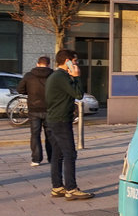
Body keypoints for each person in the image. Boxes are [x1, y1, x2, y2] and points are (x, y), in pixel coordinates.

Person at [45, 49, 94, 200]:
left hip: (54, 118)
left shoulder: (57, 76)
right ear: (67, 61)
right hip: (60, 120)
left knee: (58, 154)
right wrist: (77, 77)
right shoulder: (61, 76)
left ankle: (57, 187)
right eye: (75, 61)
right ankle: (71, 189)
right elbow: (78, 94)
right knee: (70, 153)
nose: (77, 64)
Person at [17, 55, 52, 167]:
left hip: (34, 108)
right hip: (49, 108)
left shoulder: (29, 76)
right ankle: (51, 158)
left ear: (37, 64)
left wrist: (30, 93)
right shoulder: (53, 75)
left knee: (35, 134)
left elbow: (20, 89)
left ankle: (36, 159)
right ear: (49, 64)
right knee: (50, 134)